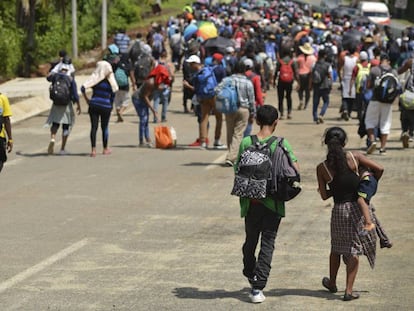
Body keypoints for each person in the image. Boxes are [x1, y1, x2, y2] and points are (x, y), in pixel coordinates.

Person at [236, 105, 298, 303]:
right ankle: (257, 287)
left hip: (250, 201)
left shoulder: (246, 141)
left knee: (250, 241)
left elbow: (238, 168)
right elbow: (295, 169)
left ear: (256, 121)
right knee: (267, 244)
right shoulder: (281, 143)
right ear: (276, 122)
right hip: (273, 202)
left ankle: (249, 269)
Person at [316, 127, 382, 301]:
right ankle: (348, 291)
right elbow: (380, 168)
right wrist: (368, 185)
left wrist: (334, 190)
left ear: (326, 144)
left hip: (339, 210)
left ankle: (332, 282)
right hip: (356, 209)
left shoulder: (322, 168)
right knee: (353, 250)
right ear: (344, 142)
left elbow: (323, 195)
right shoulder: (355, 158)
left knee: (336, 248)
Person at [217, 61, 255, 167]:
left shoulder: (227, 80)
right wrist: (253, 112)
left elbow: (217, 90)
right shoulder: (248, 82)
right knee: (238, 133)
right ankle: (231, 157)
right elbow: (252, 99)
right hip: (244, 109)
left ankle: (231, 155)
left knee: (230, 131)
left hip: (229, 108)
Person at [183, 55, 223, 149]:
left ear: (195, 63)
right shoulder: (209, 69)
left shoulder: (196, 75)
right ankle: (217, 141)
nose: (190, 65)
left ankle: (203, 142)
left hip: (203, 97)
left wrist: (188, 86)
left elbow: (195, 89)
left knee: (204, 118)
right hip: (214, 95)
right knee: (219, 117)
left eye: (191, 63)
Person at [81, 59, 119, 157]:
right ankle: (105, 148)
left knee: (94, 127)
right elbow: (114, 94)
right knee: (104, 127)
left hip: (94, 105)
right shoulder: (111, 81)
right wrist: (110, 105)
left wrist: (87, 100)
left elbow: (83, 88)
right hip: (106, 106)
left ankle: (93, 150)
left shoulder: (95, 79)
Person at [365, 53, 399, 155]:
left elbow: (369, 85)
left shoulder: (375, 70)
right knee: (385, 123)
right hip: (387, 102)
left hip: (375, 99)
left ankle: (372, 140)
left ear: (380, 60)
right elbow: (397, 88)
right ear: (388, 61)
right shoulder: (394, 72)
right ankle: (383, 148)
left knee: (370, 121)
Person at [46, 63, 81, 155]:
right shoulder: (70, 79)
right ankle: (62, 149)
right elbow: (75, 95)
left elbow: (48, 78)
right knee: (66, 126)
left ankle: (53, 138)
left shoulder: (55, 77)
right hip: (66, 104)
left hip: (56, 104)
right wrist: (78, 105)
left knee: (55, 123)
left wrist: (53, 70)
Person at [131, 73, 158, 148]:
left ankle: (148, 139)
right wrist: (153, 110)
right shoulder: (150, 83)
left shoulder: (158, 83)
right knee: (143, 119)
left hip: (143, 99)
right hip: (138, 99)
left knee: (146, 119)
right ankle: (141, 141)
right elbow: (145, 96)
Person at [274, 50, 299, 120]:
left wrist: (273, 81)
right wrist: (298, 81)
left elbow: (276, 72)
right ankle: (289, 113)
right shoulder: (292, 62)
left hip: (281, 81)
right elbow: (296, 72)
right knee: (289, 97)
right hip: (289, 81)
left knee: (280, 98)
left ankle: (281, 113)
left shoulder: (280, 61)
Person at [311, 49, 332, 124]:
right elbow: (330, 76)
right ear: (325, 55)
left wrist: (310, 85)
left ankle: (315, 117)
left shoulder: (314, 64)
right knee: (326, 101)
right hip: (325, 86)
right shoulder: (328, 65)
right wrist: (330, 85)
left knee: (315, 102)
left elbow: (311, 75)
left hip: (316, 86)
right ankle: (321, 114)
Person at [296, 42, 316, 110]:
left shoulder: (299, 57)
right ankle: (306, 105)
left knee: (300, 89)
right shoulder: (313, 58)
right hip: (309, 75)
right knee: (308, 90)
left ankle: (301, 100)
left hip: (301, 74)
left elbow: (297, 66)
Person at [0, 92, 13, 173]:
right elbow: (6, 119)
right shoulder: (2, 98)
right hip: (0, 137)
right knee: (1, 160)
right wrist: (10, 139)